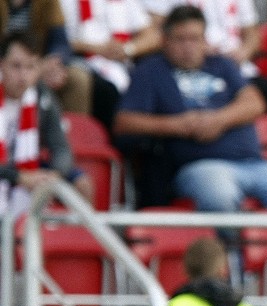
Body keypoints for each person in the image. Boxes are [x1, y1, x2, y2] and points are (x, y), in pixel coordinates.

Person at [112, 5, 267, 219]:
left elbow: (255, 103)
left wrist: (218, 121)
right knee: (220, 198)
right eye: (180, 39)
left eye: (194, 39)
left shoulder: (221, 65)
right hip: (200, 166)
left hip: (255, 164)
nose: (188, 47)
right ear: (165, 41)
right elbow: (124, 123)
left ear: (205, 40)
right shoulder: (151, 70)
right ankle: (232, 253)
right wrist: (178, 125)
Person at [143, 0, 267, 113]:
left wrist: (243, 53)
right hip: (195, 72)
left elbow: (253, 35)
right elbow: (158, 31)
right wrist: (198, 48)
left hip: (238, 70)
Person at [0, 31, 93, 216]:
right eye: (16, 66)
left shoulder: (41, 95)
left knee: (82, 183)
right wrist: (19, 177)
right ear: (1, 65)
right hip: (8, 170)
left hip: (28, 166)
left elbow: (61, 147)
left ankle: (78, 242)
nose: (23, 75)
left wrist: (54, 175)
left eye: (30, 67)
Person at [1, 0, 119, 128]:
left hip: (38, 63)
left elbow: (61, 42)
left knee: (77, 79)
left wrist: (50, 63)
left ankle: (73, 136)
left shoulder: (48, 2)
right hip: (6, 63)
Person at [60, 0, 161, 114]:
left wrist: (127, 49)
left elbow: (152, 36)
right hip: (79, 59)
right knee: (104, 90)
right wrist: (96, 48)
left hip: (120, 62)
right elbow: (58, 40)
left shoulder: (127, 2)